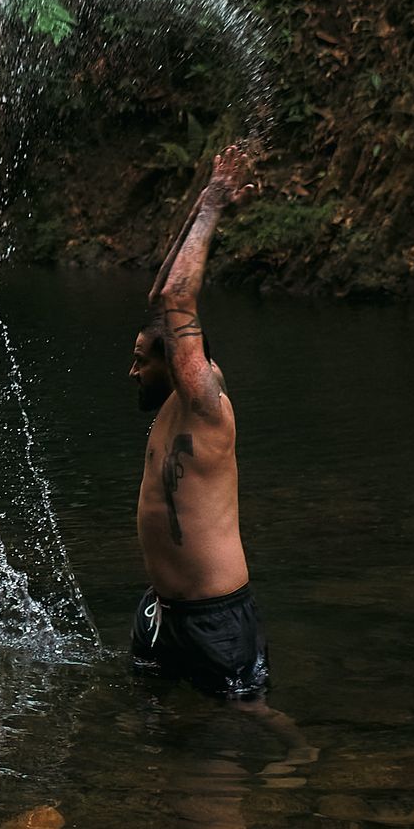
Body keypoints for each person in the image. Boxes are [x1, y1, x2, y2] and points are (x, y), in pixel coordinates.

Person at [128, 140, 269, 703]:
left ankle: (297, 758)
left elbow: (179, 300)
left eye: (142, 360)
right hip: (163, 610)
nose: (132, 371)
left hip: (216, 616)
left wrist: (212, 203)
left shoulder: (205, 403)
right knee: (153, 722)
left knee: (247, 723)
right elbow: (164, 294)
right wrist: (206, 198)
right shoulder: (172, 403)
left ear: (179, 364)